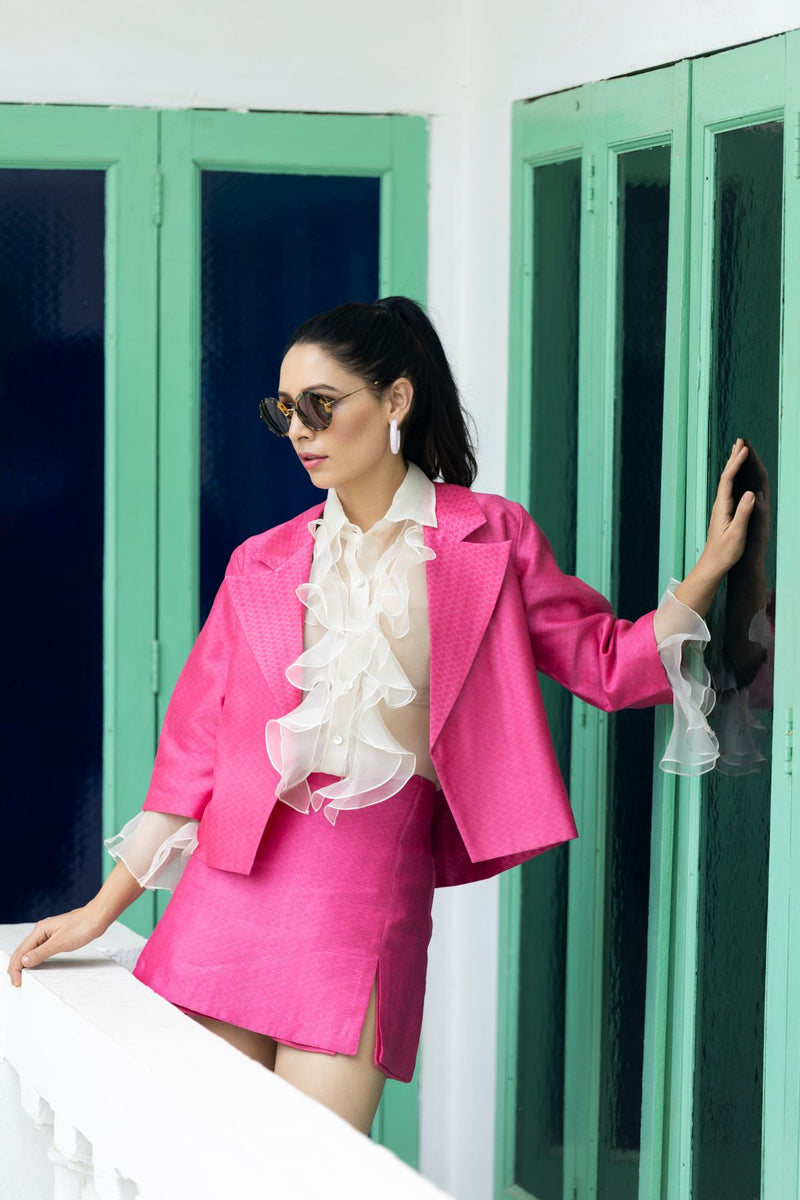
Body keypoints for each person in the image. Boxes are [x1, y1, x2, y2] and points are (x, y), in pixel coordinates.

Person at [6, 296, 756, 1134]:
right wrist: (100, 910)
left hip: (363, 895)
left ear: (395, 401)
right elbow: (193, 755)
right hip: (228, 894)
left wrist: (710, 570)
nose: (300, 430)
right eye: (285, 410)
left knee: (311, 1172)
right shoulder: (262, 560)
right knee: (198, 1165)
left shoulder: (490, 537)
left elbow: (604, 661)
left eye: (322, 406)